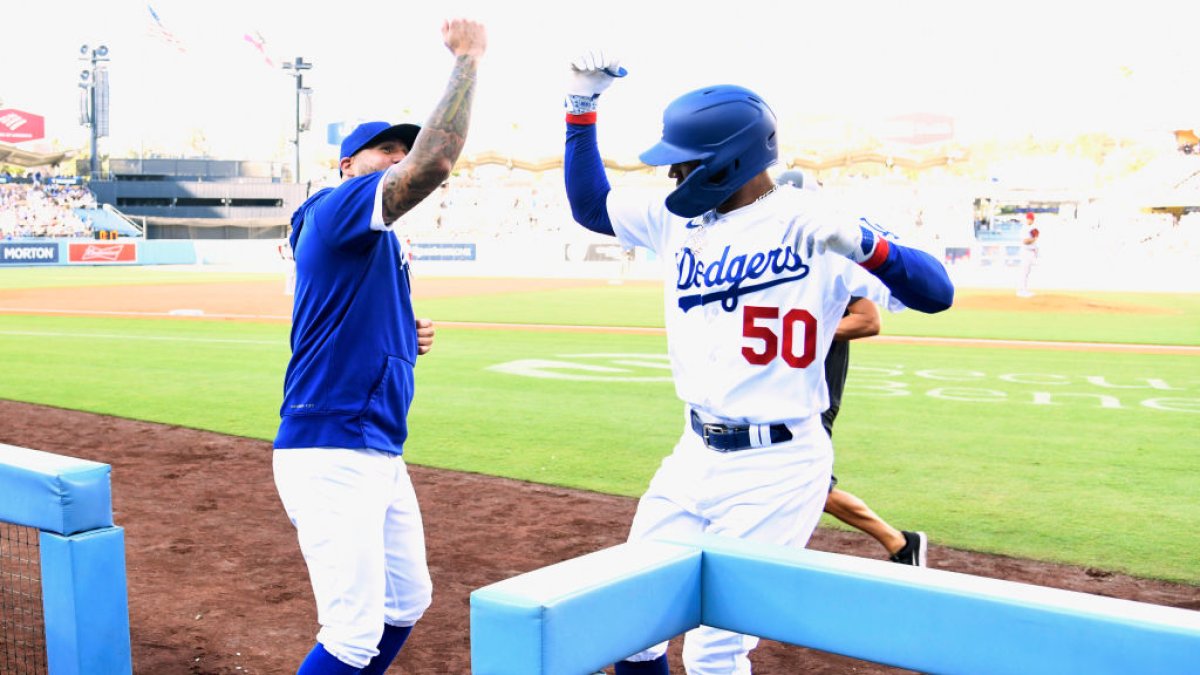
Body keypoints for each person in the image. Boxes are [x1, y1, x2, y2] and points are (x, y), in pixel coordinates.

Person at [562, 53, 954, 675]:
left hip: (780, 462)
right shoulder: (677, 221)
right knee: (631, 621)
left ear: (731, 158)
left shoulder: (813, 223)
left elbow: (937, 294)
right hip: (694, 451)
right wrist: (582, 107)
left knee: (717, 646)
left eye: (684, 161)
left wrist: (869, 246)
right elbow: (590, 206)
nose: (673, 176)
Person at [272, 19, 486, 675]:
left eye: (402, 148)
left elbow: (349, 315)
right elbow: (437, 161)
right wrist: (469, 59)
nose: (397, 157)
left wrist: (405, 335)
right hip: (331, 444)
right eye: (383, 151)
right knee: (351, 634)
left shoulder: (380, 240)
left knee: (408, 599)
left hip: (373, 443)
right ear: (347, 165)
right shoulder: (340, 205)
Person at [777, 170, 926, 566]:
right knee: (783, 479)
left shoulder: (833, 250)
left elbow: (869, 320)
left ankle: (898, 542)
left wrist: (805, 333)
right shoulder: (777, 254)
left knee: (809, 483)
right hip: (781, 386)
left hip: (817, 387)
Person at [1017, 211, 1040, 297]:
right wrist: (1034, 238)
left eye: (1032, 219)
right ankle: (1022, 291)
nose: (1031, 220)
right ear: (1027, 219)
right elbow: (1025, 241)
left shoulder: (1031, 228)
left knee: (1027, 272)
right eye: (1030, 218)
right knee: (1024, 272)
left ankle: (1024, 290)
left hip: (1031, 252)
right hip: (1026, 252)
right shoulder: (1024, 228)